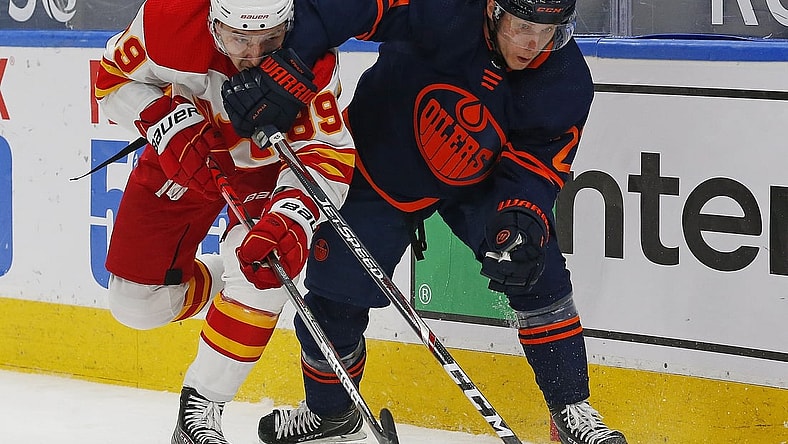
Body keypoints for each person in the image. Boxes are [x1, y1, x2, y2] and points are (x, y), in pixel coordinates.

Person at [222, 0, 629, 443]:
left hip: (481, 184)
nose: (533, 44)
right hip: (380, 163)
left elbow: (536, 166)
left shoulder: (563, 79)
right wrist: (286, 70)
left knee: (535, 263)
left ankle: (571, 410)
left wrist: (522, 214)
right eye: (522, 26)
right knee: (333, 297)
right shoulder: (445, 8)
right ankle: (332, 413)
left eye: (549, 30)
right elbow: (342, 8)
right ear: (493, 11)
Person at [93, 0, 355, 442]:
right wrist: (163, 121)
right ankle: (226, 274)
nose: (253, 55)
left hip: (270, 172)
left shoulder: (313, 54)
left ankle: (200, 410)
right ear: (214, 25)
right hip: (186, 153)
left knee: (263, 266)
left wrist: (292, 217)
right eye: (239, 39)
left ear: (288, 26)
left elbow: (327, 153)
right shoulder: (167, 20)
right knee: (136, 305)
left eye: (270, 40)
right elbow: (112, 81)